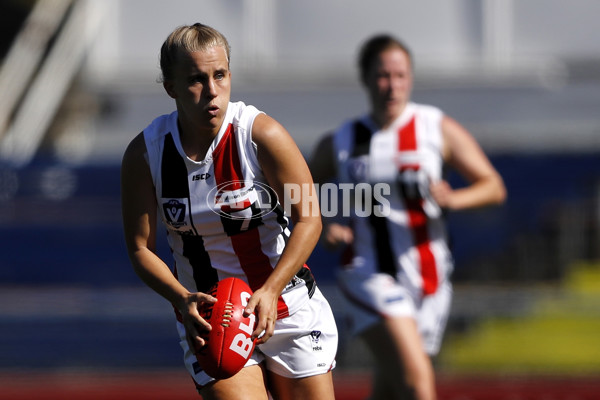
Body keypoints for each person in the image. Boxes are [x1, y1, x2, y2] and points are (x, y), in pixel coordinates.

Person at [121, 23, 337, 400]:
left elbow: (310, 217)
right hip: (211, 321)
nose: (212, 91)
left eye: (220, 75)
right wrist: (181, 297)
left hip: (287, 307)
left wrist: (269, 291)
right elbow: (141, 249)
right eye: (195, 79)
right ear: (170, 88)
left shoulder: (261, 134)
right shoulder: (145, 154)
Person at [310, 34, 506, 399]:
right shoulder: (343, 139)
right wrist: (323, 225)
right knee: (418, 384)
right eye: (383, 75)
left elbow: (493, 185)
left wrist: (455, 199)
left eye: (400, 75)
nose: (392, 85)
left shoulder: (434, 127)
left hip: (429, 278)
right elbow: (296, 188)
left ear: (411, 77)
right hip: (369, 272)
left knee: (392, 385)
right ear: (366, 79)